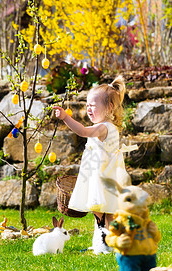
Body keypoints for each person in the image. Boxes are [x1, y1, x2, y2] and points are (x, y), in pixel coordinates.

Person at [53, 75, 131, 230]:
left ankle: (108, 236)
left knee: (101, 207)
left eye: (93, 105)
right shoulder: (106, 126)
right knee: (104, 208)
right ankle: (106, 237)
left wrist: (65, 118)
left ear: (109, 107)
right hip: (102, 174)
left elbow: (82, 131)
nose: (88, 108)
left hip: (103, 176)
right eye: (87, 105)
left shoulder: (104, 127)